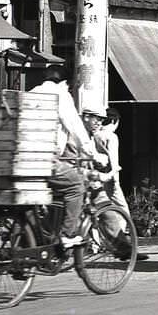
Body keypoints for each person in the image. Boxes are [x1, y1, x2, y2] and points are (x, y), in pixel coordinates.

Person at [39, 68, 100, 251]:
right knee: (76, 185)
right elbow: (75, 127)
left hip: (21, 161)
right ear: (66, 83)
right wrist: (93, 154)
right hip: (44, 160)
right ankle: (67, 235)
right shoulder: (60, 95)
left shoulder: (32, 92)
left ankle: (41, 238)